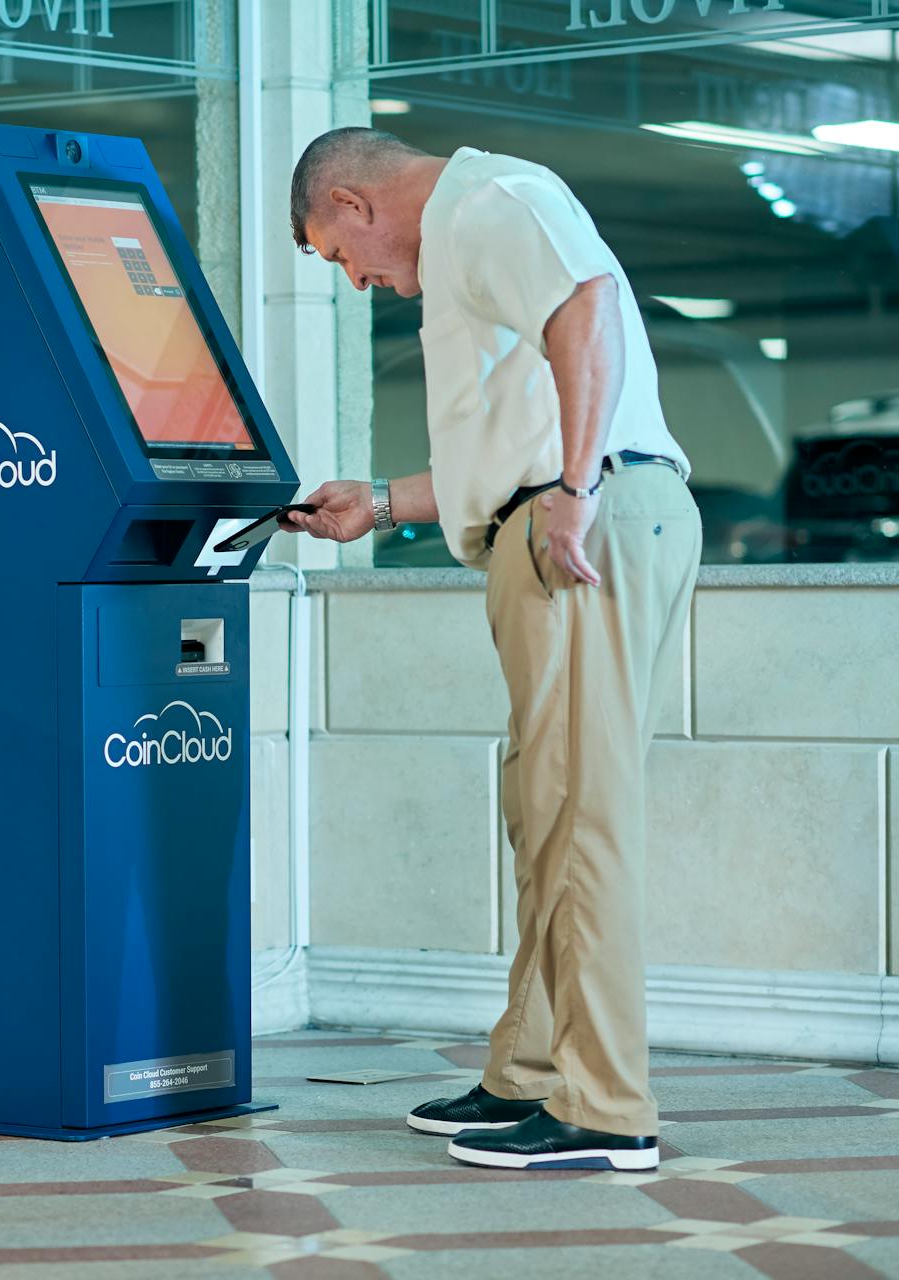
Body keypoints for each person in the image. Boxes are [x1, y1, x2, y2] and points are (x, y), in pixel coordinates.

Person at [279, 127, 700, 1172]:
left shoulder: (489, 203)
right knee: (543, 805)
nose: (361, 280)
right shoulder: (476, 228)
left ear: (353, 200)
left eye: (339, 253)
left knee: (579, 811)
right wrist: (381, 502)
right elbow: (509, 436)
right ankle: (531, 1070)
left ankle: (607, 1108)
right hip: (558, 517)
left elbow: (586, 312)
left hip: (582, 523)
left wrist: (576, 489)